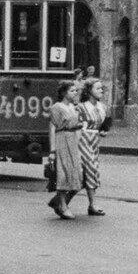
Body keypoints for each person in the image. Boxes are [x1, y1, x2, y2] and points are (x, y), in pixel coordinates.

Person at [47, 80, 84, 219]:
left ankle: (58, 202)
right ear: (63, 92)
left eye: (76, 91)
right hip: (62, 139)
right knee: (63, 173)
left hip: (73, 140)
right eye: (72, 91)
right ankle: (63, 205)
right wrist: (52, 151)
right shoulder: (57, 107)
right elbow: (52, 128)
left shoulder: (75, 107)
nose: (75, 93)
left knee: (76, 173)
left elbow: (78, 125)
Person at [76, 79, 110, 216]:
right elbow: (78, 125)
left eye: (101, 88)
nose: (101, 91)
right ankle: (93, 204)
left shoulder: (103, 107)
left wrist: (104, 130)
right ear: (89, 91)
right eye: (97, 89)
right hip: (83, 139)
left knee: (92, 170)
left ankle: (62, 201)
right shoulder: (81, 107)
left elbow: (106, 122)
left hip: (95, 140)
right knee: (90, 169)